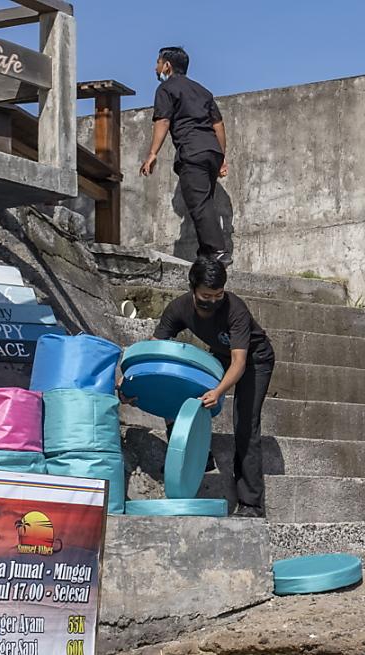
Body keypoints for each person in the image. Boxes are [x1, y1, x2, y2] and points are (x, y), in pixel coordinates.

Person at [152, 256, 274, 516]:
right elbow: (155, 349)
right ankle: (198, 455)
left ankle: (251, 504)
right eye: (206, 295)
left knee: (245, 423)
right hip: (220, 355)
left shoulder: (235, 310)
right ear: (193, 289)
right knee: (177, 388)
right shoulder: (179, 308)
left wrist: (218, 392)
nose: (213, 301)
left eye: (218, 295)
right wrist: (132, 378)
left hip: (255, 359)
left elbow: (239, 362)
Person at [140, 46, 230, 266]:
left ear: (167, 65)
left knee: (199, 204)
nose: (155, 67)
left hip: (192, 151)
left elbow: (163, 120)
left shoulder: (166, 89)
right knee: (204, 202)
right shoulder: (202, 91)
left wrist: (152, 153)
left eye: (158, 62)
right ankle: (207, 254)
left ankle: (218, 251)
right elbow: (218, 125)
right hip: (211, 151)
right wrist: (221, 157)